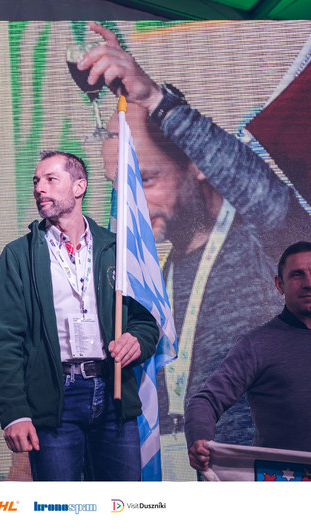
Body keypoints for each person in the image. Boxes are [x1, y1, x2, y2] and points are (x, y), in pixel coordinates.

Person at [79, 23, 311, 475]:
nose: (132, 205)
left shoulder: (265, 242)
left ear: (198, 166)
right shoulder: (158, 272)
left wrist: (154, 99)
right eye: (119, 186)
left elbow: (264, 193)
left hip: (255, 476)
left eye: (146, 180)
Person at [0, 151, 158, 481]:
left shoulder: (117, 249)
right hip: (55, 400)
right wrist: (14, 413)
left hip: (114, 393)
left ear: (79, 187)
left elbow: (147, 320)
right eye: (36, 181)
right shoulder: (18, 255)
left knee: (122, 504)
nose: (39, 188)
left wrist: (137, 340)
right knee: (60, 507)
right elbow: (2, 342)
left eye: (51, 179)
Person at [185, 241, 311, 472]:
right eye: (297, 275)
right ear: (279, 284)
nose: (308, 283)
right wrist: (199, 438)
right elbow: (205, 401)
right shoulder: (257, 346)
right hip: (282, 481)